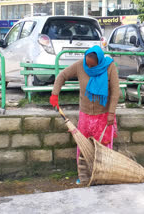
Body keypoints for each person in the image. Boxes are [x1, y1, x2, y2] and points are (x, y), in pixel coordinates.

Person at [49, 45, 120, 183]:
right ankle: (83, 174)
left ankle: (103, 175)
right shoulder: (80, 65)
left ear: (99, 60)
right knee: (83, 146)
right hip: (85, 115)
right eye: (87, 63)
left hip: (104, 115)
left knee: (104, 147)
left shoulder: (109, 67)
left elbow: (115, 91)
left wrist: (111, 112)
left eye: (92, 64)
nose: (89, 66)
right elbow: (62, 75)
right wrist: (54, 94)